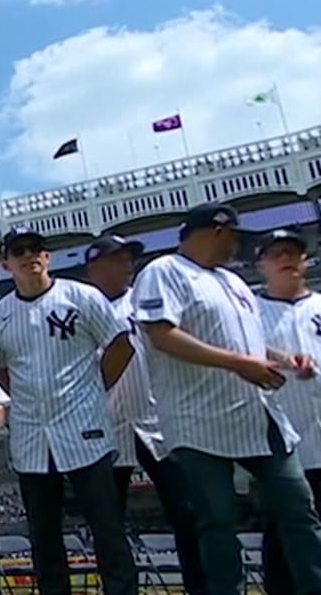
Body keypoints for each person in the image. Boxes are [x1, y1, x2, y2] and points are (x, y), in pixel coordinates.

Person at [135, 203, 321, 595]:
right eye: (235, 236)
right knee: (217, 522)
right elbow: (161, 334)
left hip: (256, 413)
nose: (237, 245)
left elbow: (249, 340)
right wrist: (238, 363)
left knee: (299, 510)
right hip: (198, 419)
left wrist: (285, 360)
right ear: (217, 231)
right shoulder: (164, 270)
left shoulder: (232, 282)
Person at [0, 228, 136, 595]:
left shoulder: (81, 296)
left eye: (36, 248)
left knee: (108, 531)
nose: (28, 255)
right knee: (44, 538)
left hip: (85, 429)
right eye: (19, 251)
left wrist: (94, 387)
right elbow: (0, 369)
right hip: (33, 438)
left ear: (47, 256)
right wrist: (25, 396)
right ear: (6, 264)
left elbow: (120, 345)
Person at [84, 234, 206, 594]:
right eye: (116, 259)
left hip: (158, 422)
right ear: (94, 267)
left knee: (188, 513)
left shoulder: (146, 300)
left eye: (128, 258)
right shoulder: (81, 306)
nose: (127, 264)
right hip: (105, 425)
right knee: (108, 524)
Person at [252, 229, 321, 595]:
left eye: (293, 252)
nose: (286, 259)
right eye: (276, 253)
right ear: (261, 264)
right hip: (280, 444)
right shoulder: (250, 311)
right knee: (282, 540)